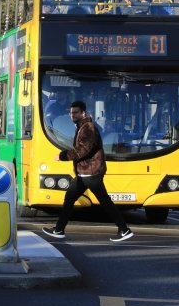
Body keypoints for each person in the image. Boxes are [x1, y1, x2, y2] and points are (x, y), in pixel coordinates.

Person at [41, 100, 134, 242]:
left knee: (105, 202)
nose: (72, 115)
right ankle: (59, 229)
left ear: (83, 113)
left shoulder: (88, 128)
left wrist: (62, 156)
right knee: (70, 198)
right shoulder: (81, 127)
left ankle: (124, 230)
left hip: (91, 173)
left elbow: (83, 150)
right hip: (83, 174)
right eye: (71, 112)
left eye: (76, 112)